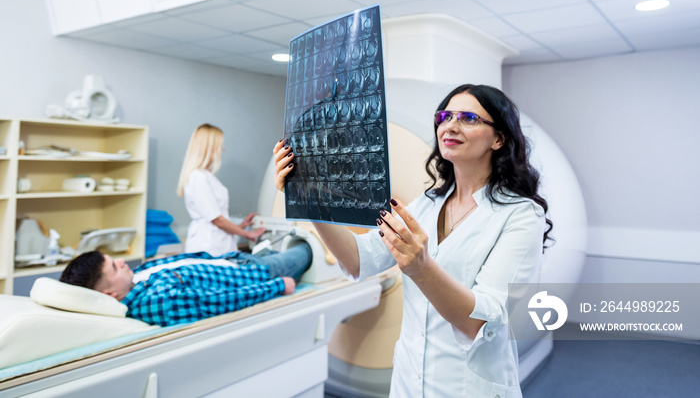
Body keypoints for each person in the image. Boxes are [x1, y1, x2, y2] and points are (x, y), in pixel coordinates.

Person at [272, 84, 552, 397]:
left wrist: (420, 267)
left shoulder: (521, 215)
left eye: (469, 118)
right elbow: (358, 261)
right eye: (445, 116)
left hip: (467, 386)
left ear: (499, 138)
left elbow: (480, 321)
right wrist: (309, 201)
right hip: (408, 381)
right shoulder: (427, 203)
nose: (451, 125)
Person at [59, 243, 312, 327]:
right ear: (110, 294)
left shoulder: (134, 282)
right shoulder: (159, 302)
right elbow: (221, 302)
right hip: (256, 273)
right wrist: (277, 286)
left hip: (234, 259)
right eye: (114, 266)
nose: (122, 261)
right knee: (308, 249)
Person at [177, 123, 265, 256]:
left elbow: (217, 217)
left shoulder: (205, 176)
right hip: (208, 245)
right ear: (210, 147)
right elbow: (216, 219)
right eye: (219, 145)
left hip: (217, 242)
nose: (222, 150)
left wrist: (241, 225)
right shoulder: (198, 177)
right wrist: (247, 233)